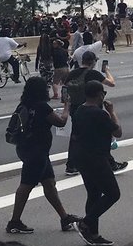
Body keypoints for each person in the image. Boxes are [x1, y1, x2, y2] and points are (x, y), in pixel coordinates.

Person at [6, 77, 81, 234]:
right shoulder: (42, 107)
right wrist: (67, 107)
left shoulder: (24, 104)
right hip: (37, 152)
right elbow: (60, 122)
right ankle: (14, 222)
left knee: (49, 183)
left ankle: (64, 217)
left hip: (26, 148)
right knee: (26, 185)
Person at [72, 81, 121, 246]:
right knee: (113, 194)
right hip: (96, 158)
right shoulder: (100, 114)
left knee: (93, 193)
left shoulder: (80, 110)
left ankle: (93, 234)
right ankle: (86, 223)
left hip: (81, 157)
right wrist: (112, 112)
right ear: (100, 95)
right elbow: (118, 132)